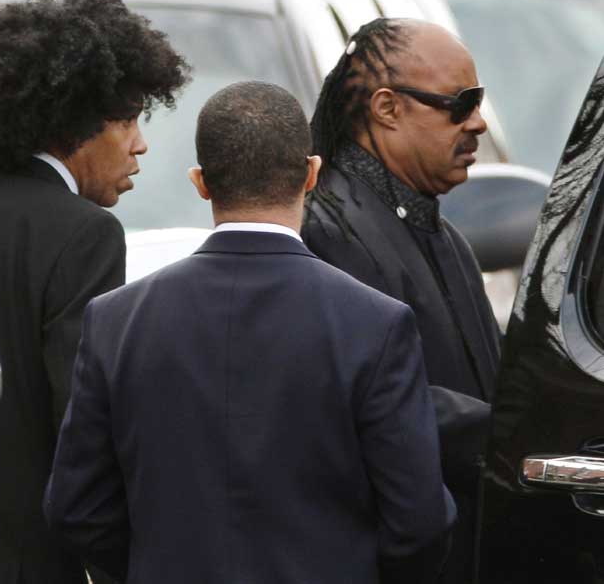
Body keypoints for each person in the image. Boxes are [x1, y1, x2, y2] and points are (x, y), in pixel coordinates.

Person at [44, 81, 455, 584]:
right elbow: (418, 520)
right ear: (311, 175)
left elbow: (77, 508)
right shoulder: (376, 323)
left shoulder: (116, 320)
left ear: (200, 182)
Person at [0, 0, 189, 584]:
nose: (141, 145)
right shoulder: (86, 235)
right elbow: (83, 434)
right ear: (75, 124)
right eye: (129, 119)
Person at [302, 18, 501, 584]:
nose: (479, 122)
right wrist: (511, 432)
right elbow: (370, 400)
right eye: (460, 103)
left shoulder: (441, 232)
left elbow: (491, 369)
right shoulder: (327, 228)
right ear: (387, 109)